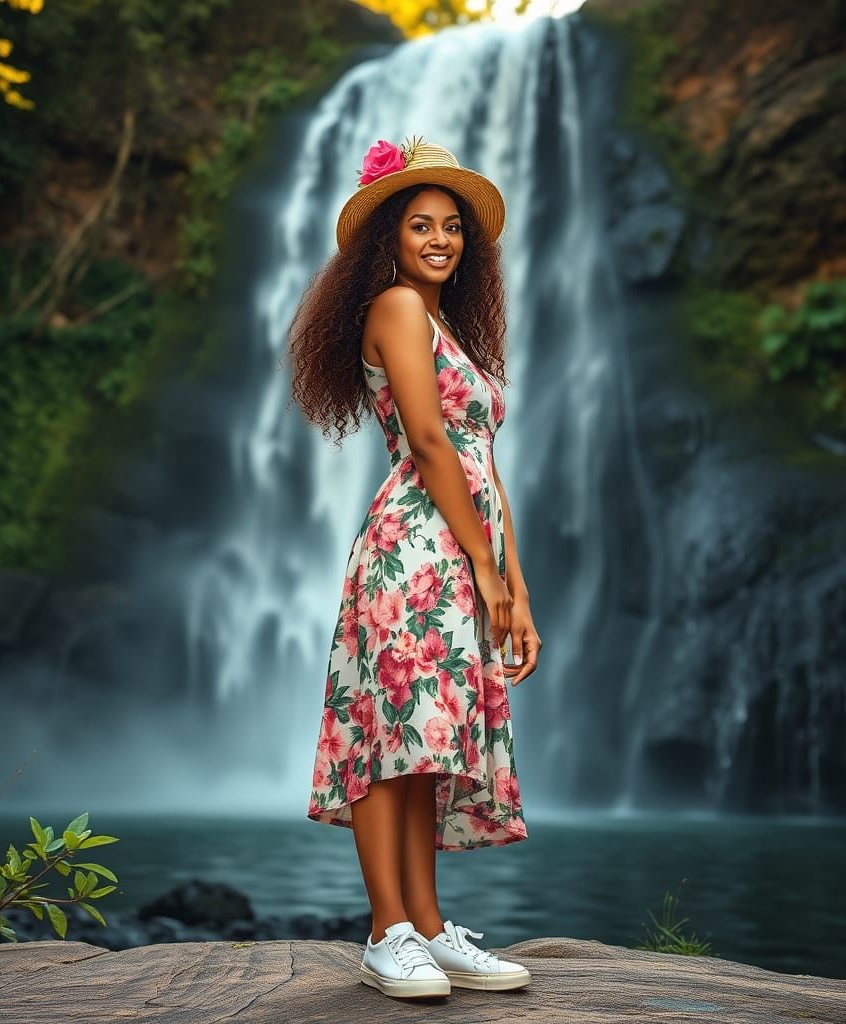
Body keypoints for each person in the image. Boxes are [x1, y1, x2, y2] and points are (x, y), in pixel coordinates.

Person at [287, 135, 542, 1000]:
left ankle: (430, 932)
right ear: (389, 240)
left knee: (427, 744)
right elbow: (430, 443)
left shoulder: (448, 328)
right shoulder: (396, 307)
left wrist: (517, 590)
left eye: (453, 229)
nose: (440, 240)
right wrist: (483, 565)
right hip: (416, 549)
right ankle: (384, 932)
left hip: (467, 550)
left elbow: (484, 464)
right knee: (388, 736)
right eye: (421, 225)